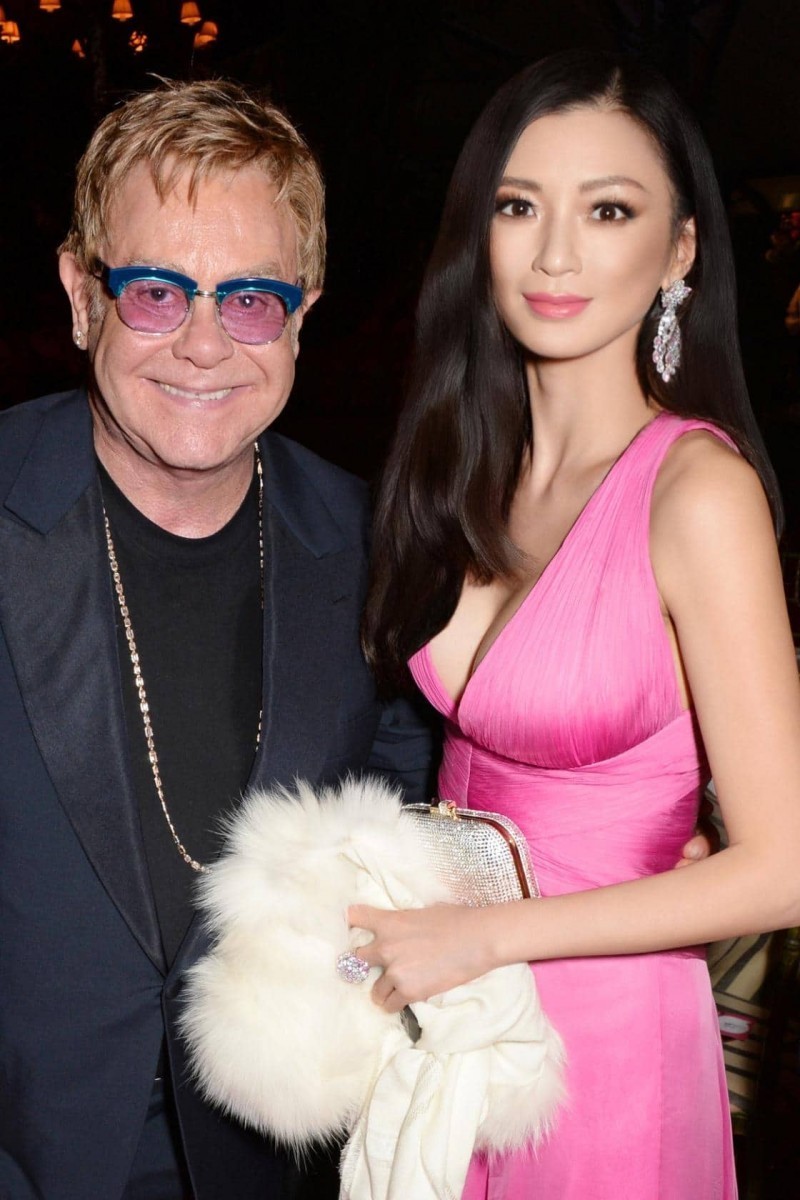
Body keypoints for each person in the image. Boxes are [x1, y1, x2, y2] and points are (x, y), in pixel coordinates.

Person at [357, 48, 800, 1198]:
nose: (554, 253)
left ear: (679, 250)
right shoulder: (465, 467)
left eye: (607, 210)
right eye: (518, 206)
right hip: (450, 1021)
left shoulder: (694, 494)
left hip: (599, 1044)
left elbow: (782, 869)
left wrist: (491, 936)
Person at [0, 80, 433, 1200]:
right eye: (155, 292)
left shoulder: (375, 548)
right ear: (81, 296)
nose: (202, 345)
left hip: (273, 1164)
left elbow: (424, 815)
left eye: (248, 300)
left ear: (302, 314)